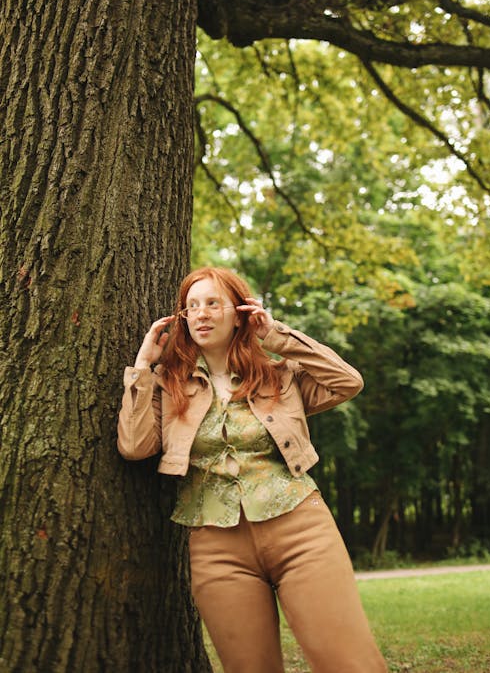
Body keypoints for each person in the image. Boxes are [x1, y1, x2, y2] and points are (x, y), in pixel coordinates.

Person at [117, 266, 387, 673]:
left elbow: (346, 382)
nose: (202, 314)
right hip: (216, 548)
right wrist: (142, 366)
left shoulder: (278, 375)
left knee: (349, 663)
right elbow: (135, 447)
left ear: (240, 312)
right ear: (182, 319)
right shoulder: (169, 384)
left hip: (302, 531)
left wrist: (276, 336)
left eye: (213, 303)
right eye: (192, 307)